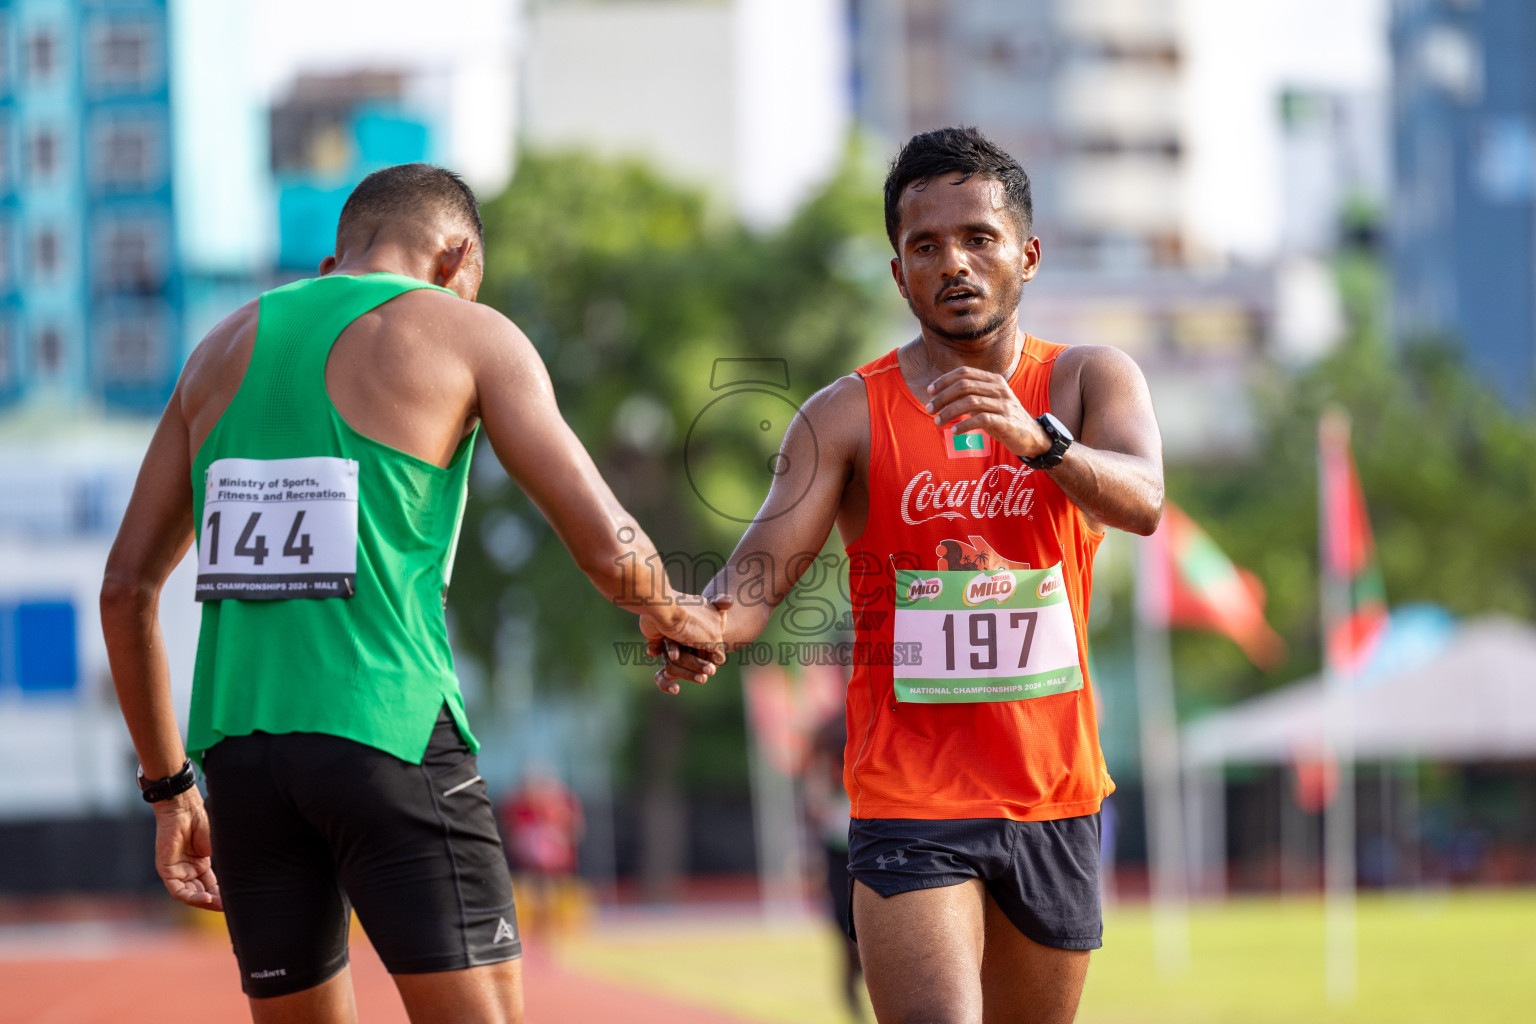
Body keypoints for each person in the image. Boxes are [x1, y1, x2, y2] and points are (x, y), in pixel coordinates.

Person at [101, 163, 725, 1024]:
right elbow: (601, 540)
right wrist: (669, 610)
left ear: (336, 259)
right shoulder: (469, 332)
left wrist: (171, 792)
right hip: (386, 731)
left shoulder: (217, 349)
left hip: (242, 758)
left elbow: (126, 588)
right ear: (456, 258)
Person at [651, 127, 1164, 1024]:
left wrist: (1040, 440)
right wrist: (694, 625)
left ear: (1027, 255)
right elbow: (751, 588)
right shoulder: (845, 415)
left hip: (1055, 794)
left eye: (978, 239)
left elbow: (1145, 500)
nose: (953, 264)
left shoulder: (1087, 380)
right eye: (924, 247)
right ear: (899, 274)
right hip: (910, 799)